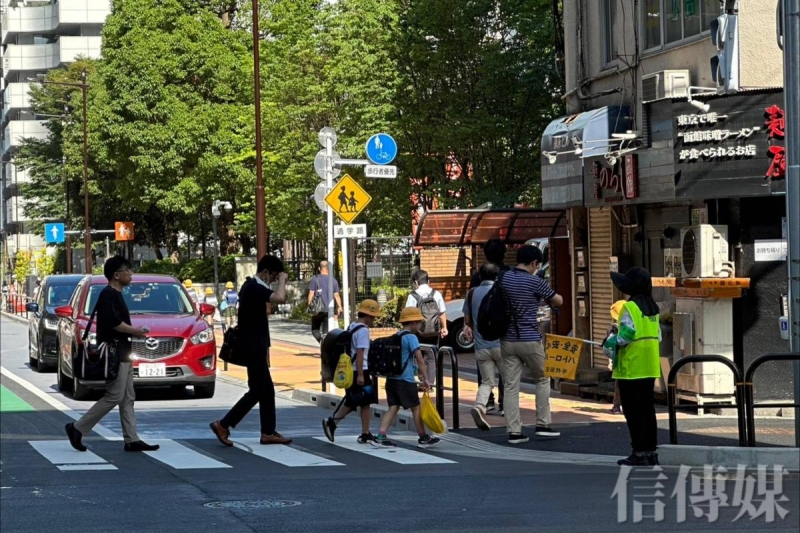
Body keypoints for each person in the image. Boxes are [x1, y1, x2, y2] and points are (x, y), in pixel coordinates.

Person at [65, 256, 159, 453]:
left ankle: (132, 439)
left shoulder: (116, 294)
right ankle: (77, 427)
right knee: (114, 396)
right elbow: (114, 323)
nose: (131, 274)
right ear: (117, 275)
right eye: (127, 270)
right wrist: (137, 331)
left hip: (123, 352)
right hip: (115, 353)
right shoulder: (109, 295)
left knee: (127, 397)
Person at [209, 255, 292, 447]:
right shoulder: (254, 287)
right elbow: (280, 298)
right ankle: (223, 424)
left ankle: (268, 432)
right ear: (264, 272)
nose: (273, 280)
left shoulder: (252, 287)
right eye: (272, 276)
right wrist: (282, 280)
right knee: (257, 390)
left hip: (255, 345)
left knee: (267, 390)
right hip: (253, 346)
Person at [501, 245, 563, 444]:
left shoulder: (504, 278)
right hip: (529, 339)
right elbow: (558, 300)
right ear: (535, 263)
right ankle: (542, 424)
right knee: (542, 379)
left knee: (511, 386)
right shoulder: (534, 281)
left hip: (507, 340)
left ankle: (514, 432)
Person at [606, 267, 662, 466]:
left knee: (633, 412)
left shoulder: (630, 307)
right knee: (647, 410)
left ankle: (638, 452)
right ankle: (651, 452)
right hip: (650, 367)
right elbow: (659, 336)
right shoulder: (654, 309)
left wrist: (610, 341)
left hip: (630, 368)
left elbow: (626, 336)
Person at [372, 307, 440, 449]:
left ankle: (380, 435)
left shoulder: (396, 336)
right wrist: (425, 378)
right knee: (416, 408)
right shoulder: (411, 338)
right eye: (419, 322)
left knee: (393, 407)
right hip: (405, 380)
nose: (420, 325)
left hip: (392, 380)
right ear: (413, 323)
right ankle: (423, 437)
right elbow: (420, 359)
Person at [322, 299, 382, 444]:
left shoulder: (352, 326)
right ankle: (333, 422)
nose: (373, 320)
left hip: (350, 369)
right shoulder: (363, 331)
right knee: (358, 400)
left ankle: (365, 432)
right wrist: (361, 374)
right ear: (367, 316)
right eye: (373, 316)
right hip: (359, 370)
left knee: (360, 401)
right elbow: (360, 353)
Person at [468, 239, 509, 414]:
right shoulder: (508, 274)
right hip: (503, 337)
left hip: (482, 337)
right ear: (504, 253)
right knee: (507, 374)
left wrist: (468, 326)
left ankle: (486, 403)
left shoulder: (478, 276)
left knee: (485, 376)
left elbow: (469, 308)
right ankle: (505, 404)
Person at [465, 263, 503, 431]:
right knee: (508, 380)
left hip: (481, 346)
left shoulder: (471, 293)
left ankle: (480, 406)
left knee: (487, 382)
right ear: (497, 276)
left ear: (480, 276)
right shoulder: (501, 291)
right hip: (502, 345)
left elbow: (467, 321)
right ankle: (508, 411)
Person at [405, 270, 447, 388]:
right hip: (434, 331)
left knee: (419, 355)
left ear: (416, 283)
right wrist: (444, 328)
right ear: (428, 281)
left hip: (418, 331)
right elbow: (442, 312)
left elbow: (408, 314)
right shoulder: (436, 294)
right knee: (432, 356)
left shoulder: (412, 296)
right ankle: (431, 384)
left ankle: (422, 381)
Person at [308, 261, 343, 343]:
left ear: (319, 268)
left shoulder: (315, 278)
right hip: (328, 310)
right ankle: (324, 342)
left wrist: (310, 305)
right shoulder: (333, 280)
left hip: (317, 309)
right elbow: (336, 295)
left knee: (314, 329)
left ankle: (321, 340)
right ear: (328, 269)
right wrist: (340, 307)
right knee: (326, 332)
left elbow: (311, 293)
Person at [603, 300, 627, 415]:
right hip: (630, 360)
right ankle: (621, 405)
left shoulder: (613, 328)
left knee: (619, 384)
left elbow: (607, 346)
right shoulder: (631, 325)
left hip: (618, 359)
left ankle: (617, 406)